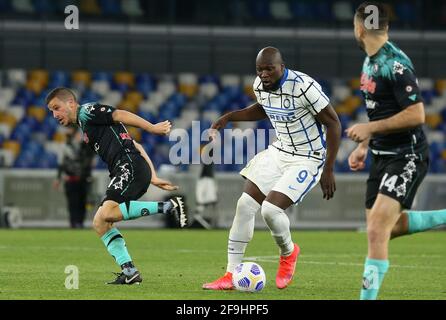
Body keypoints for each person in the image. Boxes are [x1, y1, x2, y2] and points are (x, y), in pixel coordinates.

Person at [203, 47, 341, 290]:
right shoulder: (260, 85)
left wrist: (328, 168)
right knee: (244, 205)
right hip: (279, 151)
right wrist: (229, 117)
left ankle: (288, 253)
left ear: (282, 66)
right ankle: (230, 275)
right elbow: (263, 108)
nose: (264, 74)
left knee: (270, 210)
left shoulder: (304, 86)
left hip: (307, 157)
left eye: (269, 68)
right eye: (260, 69)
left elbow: (333, 123)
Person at [346, 2, 446, 300]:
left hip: (407, 155)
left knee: (377, 229)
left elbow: (417, 115)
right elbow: (379, 113)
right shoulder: (370, 61)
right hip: (381, 156)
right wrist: (364, 145)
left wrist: (369, 131)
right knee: (384, 229)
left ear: (359, 28)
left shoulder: (395, 63)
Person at [46, 87, 187, 285]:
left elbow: (120, 114)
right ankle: (129, 271)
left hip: (128, 166)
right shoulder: (85, 125)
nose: (54, 115)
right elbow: (136, 145)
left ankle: (170, 206)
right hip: (129, 167)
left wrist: (152, 128)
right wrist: (153, 176)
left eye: (56, 108)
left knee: (108, 214)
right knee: (100, 222)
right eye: (51, 111)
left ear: (70, 103)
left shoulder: (87, 111)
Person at [53, 124, 95, 229]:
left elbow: (89, 160)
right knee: (73, 203)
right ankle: (74, 224)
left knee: (83, 202)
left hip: (84, 178)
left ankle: (79, 223)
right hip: (71, 179)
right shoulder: (65, 146)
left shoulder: (85, 146)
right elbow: (62, 164)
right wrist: (58, 178)